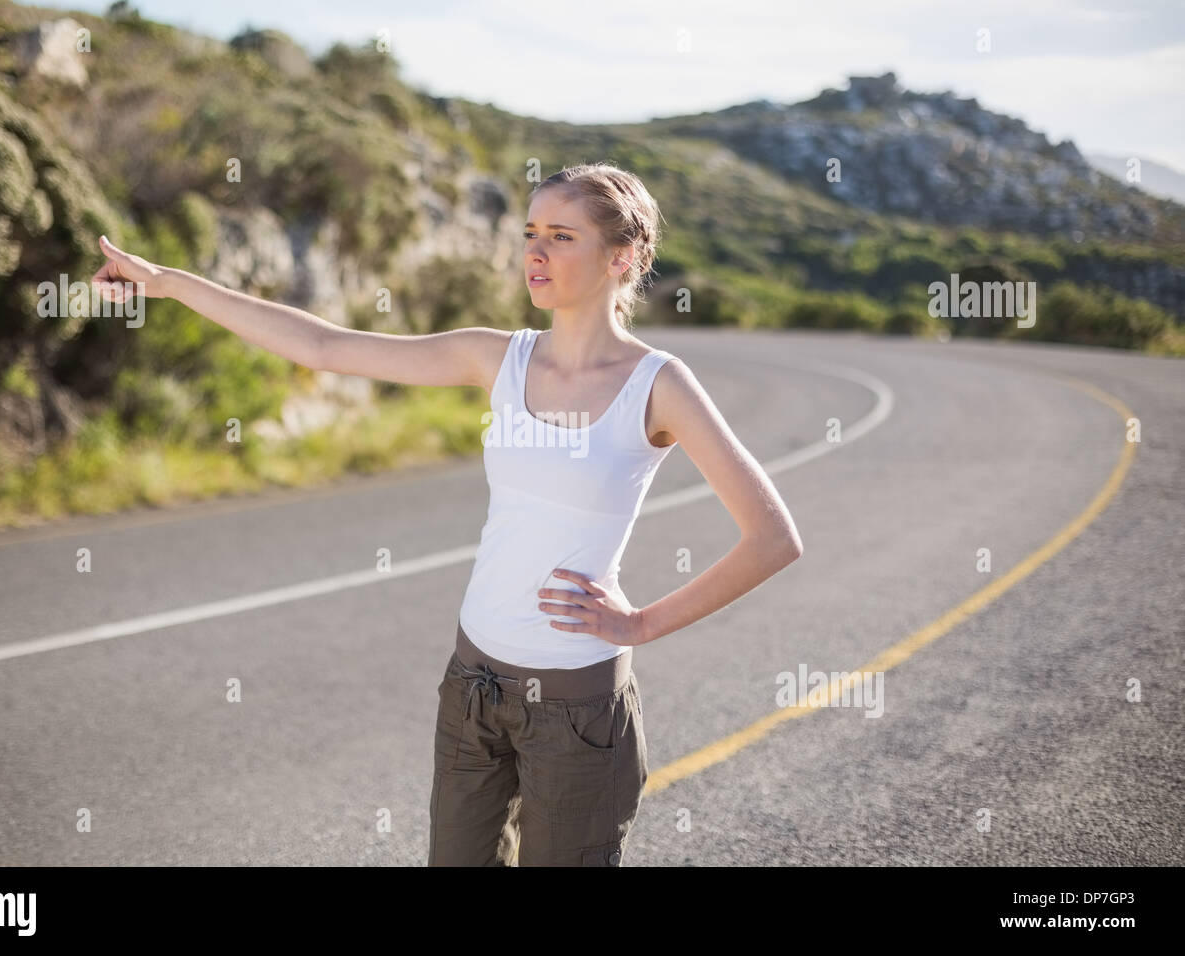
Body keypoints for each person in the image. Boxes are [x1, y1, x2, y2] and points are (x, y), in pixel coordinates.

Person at [91, 162, 804, 867]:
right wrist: (165, 283)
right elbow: (324, 346)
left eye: (561, 236)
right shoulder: (495, 357)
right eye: (530, 232)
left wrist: (641, 623)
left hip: (576, 713)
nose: (535, 252)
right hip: (472, 689)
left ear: (623, 257)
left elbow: (772, 537)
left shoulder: (659, 385)